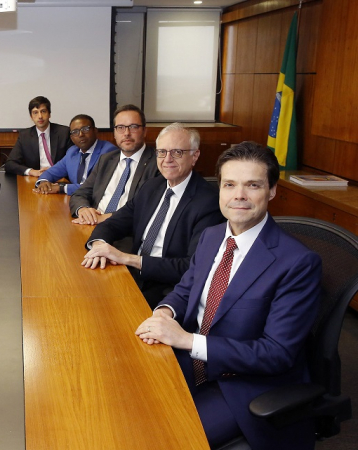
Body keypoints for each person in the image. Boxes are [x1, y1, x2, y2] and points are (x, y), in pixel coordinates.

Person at [135, 142, 321, 450]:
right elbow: (186, 288)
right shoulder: (212, 236)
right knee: (127, 401)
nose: (239, 196)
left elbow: (276, 354)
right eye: (230, 184)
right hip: (193, 360)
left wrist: (187, 340)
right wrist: (165, 312)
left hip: (245, 383)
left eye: (253, 185)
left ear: (272, 191)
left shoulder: (298, 262)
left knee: (166, 437)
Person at [82, 123, 224, 308]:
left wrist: (126, 258)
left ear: (194, 156)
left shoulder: (209, 202)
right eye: (162, 152)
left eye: (177, 152)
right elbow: (114, 223)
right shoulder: (152, 186)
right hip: (131, 275)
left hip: (169, 290)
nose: (167, 159)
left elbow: (191, 267)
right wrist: (99, 246)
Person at [70, 104, 159, 225]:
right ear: (115, 133)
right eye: (120, 127)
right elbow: (80, 193)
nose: (126, 133)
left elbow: (148, 209)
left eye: (133, 127)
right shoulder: (106, 160)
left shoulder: (158, 163)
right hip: (91, 224)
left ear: (144, 131)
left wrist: (107, 218)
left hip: (124, 232)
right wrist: (83, 209)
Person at [33, 114, 118, 195]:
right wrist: (44, 182)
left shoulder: (109, 151)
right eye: (75, 132)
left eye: (85, 129)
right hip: (77, 200)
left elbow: (97, 186)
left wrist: (62, 188)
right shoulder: (72, 152)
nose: (80, 134)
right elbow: (51, 172)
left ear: (95, 131)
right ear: (72, 138)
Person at [4, 96, 71, 177]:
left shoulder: (64, 133)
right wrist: (31, 171)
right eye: (35, 112)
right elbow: (9, 164)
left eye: (43, 111)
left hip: (59, 177)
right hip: (36, 178)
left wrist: (55, 171)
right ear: (31, 117)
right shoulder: (25, 136)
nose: (40, 116)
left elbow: (72, 161)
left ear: (49, 114)